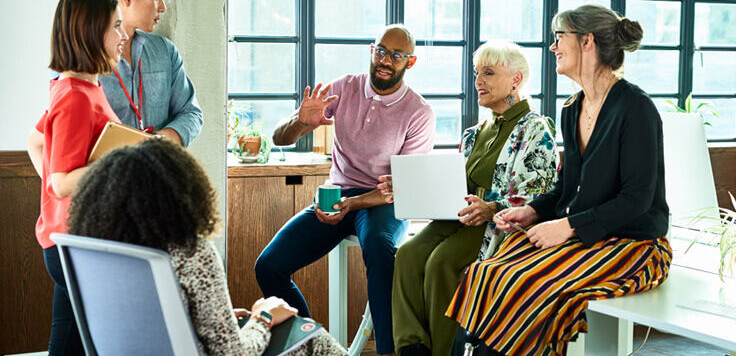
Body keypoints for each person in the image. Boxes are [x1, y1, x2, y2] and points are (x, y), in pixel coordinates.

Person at [445, 4, 672, 356]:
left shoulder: (636, 108)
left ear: (587, 42)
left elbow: (638, 199)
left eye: (559, 37)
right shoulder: (572, 109)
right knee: (485, 273)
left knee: (524, 283)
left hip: (633, 245)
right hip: (585, 236)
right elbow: (566, 188)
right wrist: (533, 211)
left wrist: (568, 226)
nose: (553, 47)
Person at [65, 138, 348, 356]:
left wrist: (219, 318)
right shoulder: (192, 251)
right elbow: (234, 353)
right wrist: (264, 316)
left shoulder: (99, 253)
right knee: (311, 337)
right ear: (182, 192)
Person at [255, 24, 436, 356]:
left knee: (381, 251)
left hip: (382, 201)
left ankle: (387, 351)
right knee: (268, 266)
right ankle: (309, 346)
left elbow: (402, 189)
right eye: (381, 50)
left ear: (409, 63)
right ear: (371, 49)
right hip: (337, 194)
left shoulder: (419, 112)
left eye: (396, 55)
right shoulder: (343, 89)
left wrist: (352, 205)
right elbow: (280, 138)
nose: (385, 60)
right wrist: (302, 121)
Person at [382, 40, 559, 356]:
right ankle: (411, 346)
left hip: (494, 224)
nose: (478, 81)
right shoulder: (475, 132)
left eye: (489, 73)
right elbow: (453, 181)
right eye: (477, 73)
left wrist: (492, 208)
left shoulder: (536, 128)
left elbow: (540, 194)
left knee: (441, 262)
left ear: (516, 80)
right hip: (457, 216)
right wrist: (409, 185)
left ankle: (444, 350)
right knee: (407, 253)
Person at [26, 0, 128, 355]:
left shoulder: (78, 86)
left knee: (67, 342)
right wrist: (121, 161)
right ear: (90, 32)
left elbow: (35, 143)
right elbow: (62, 181)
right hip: (76, 245)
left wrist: (57, 201)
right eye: (116, 27)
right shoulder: (75, 96)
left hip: (70, 241)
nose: (124, 35)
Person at [51, 0, 203, 145]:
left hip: (160, 172)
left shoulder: (165, 51)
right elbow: (49, 141)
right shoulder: (80, 62)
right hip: (109, 175)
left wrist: (159, 142)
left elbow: (191, 113)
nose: (163, 7)